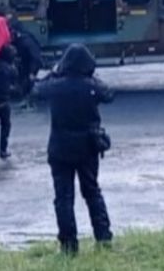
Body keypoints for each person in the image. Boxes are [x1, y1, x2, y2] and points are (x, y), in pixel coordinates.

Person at [32, 43, 113, 255]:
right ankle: (103, 237)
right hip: (88, 146)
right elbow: (108, 94)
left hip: (60, 147)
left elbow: (36, 89)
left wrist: (53, 72)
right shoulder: (91, 86)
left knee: (63, 198)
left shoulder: (55, 86)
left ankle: (68, 244)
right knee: (92, 192)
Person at [8, 19, 43, 99]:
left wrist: (32, 72)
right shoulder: (19, 39)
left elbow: (35, 57)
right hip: (24, 63)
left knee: (28, 82)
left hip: (31, 65)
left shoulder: (27, 41)